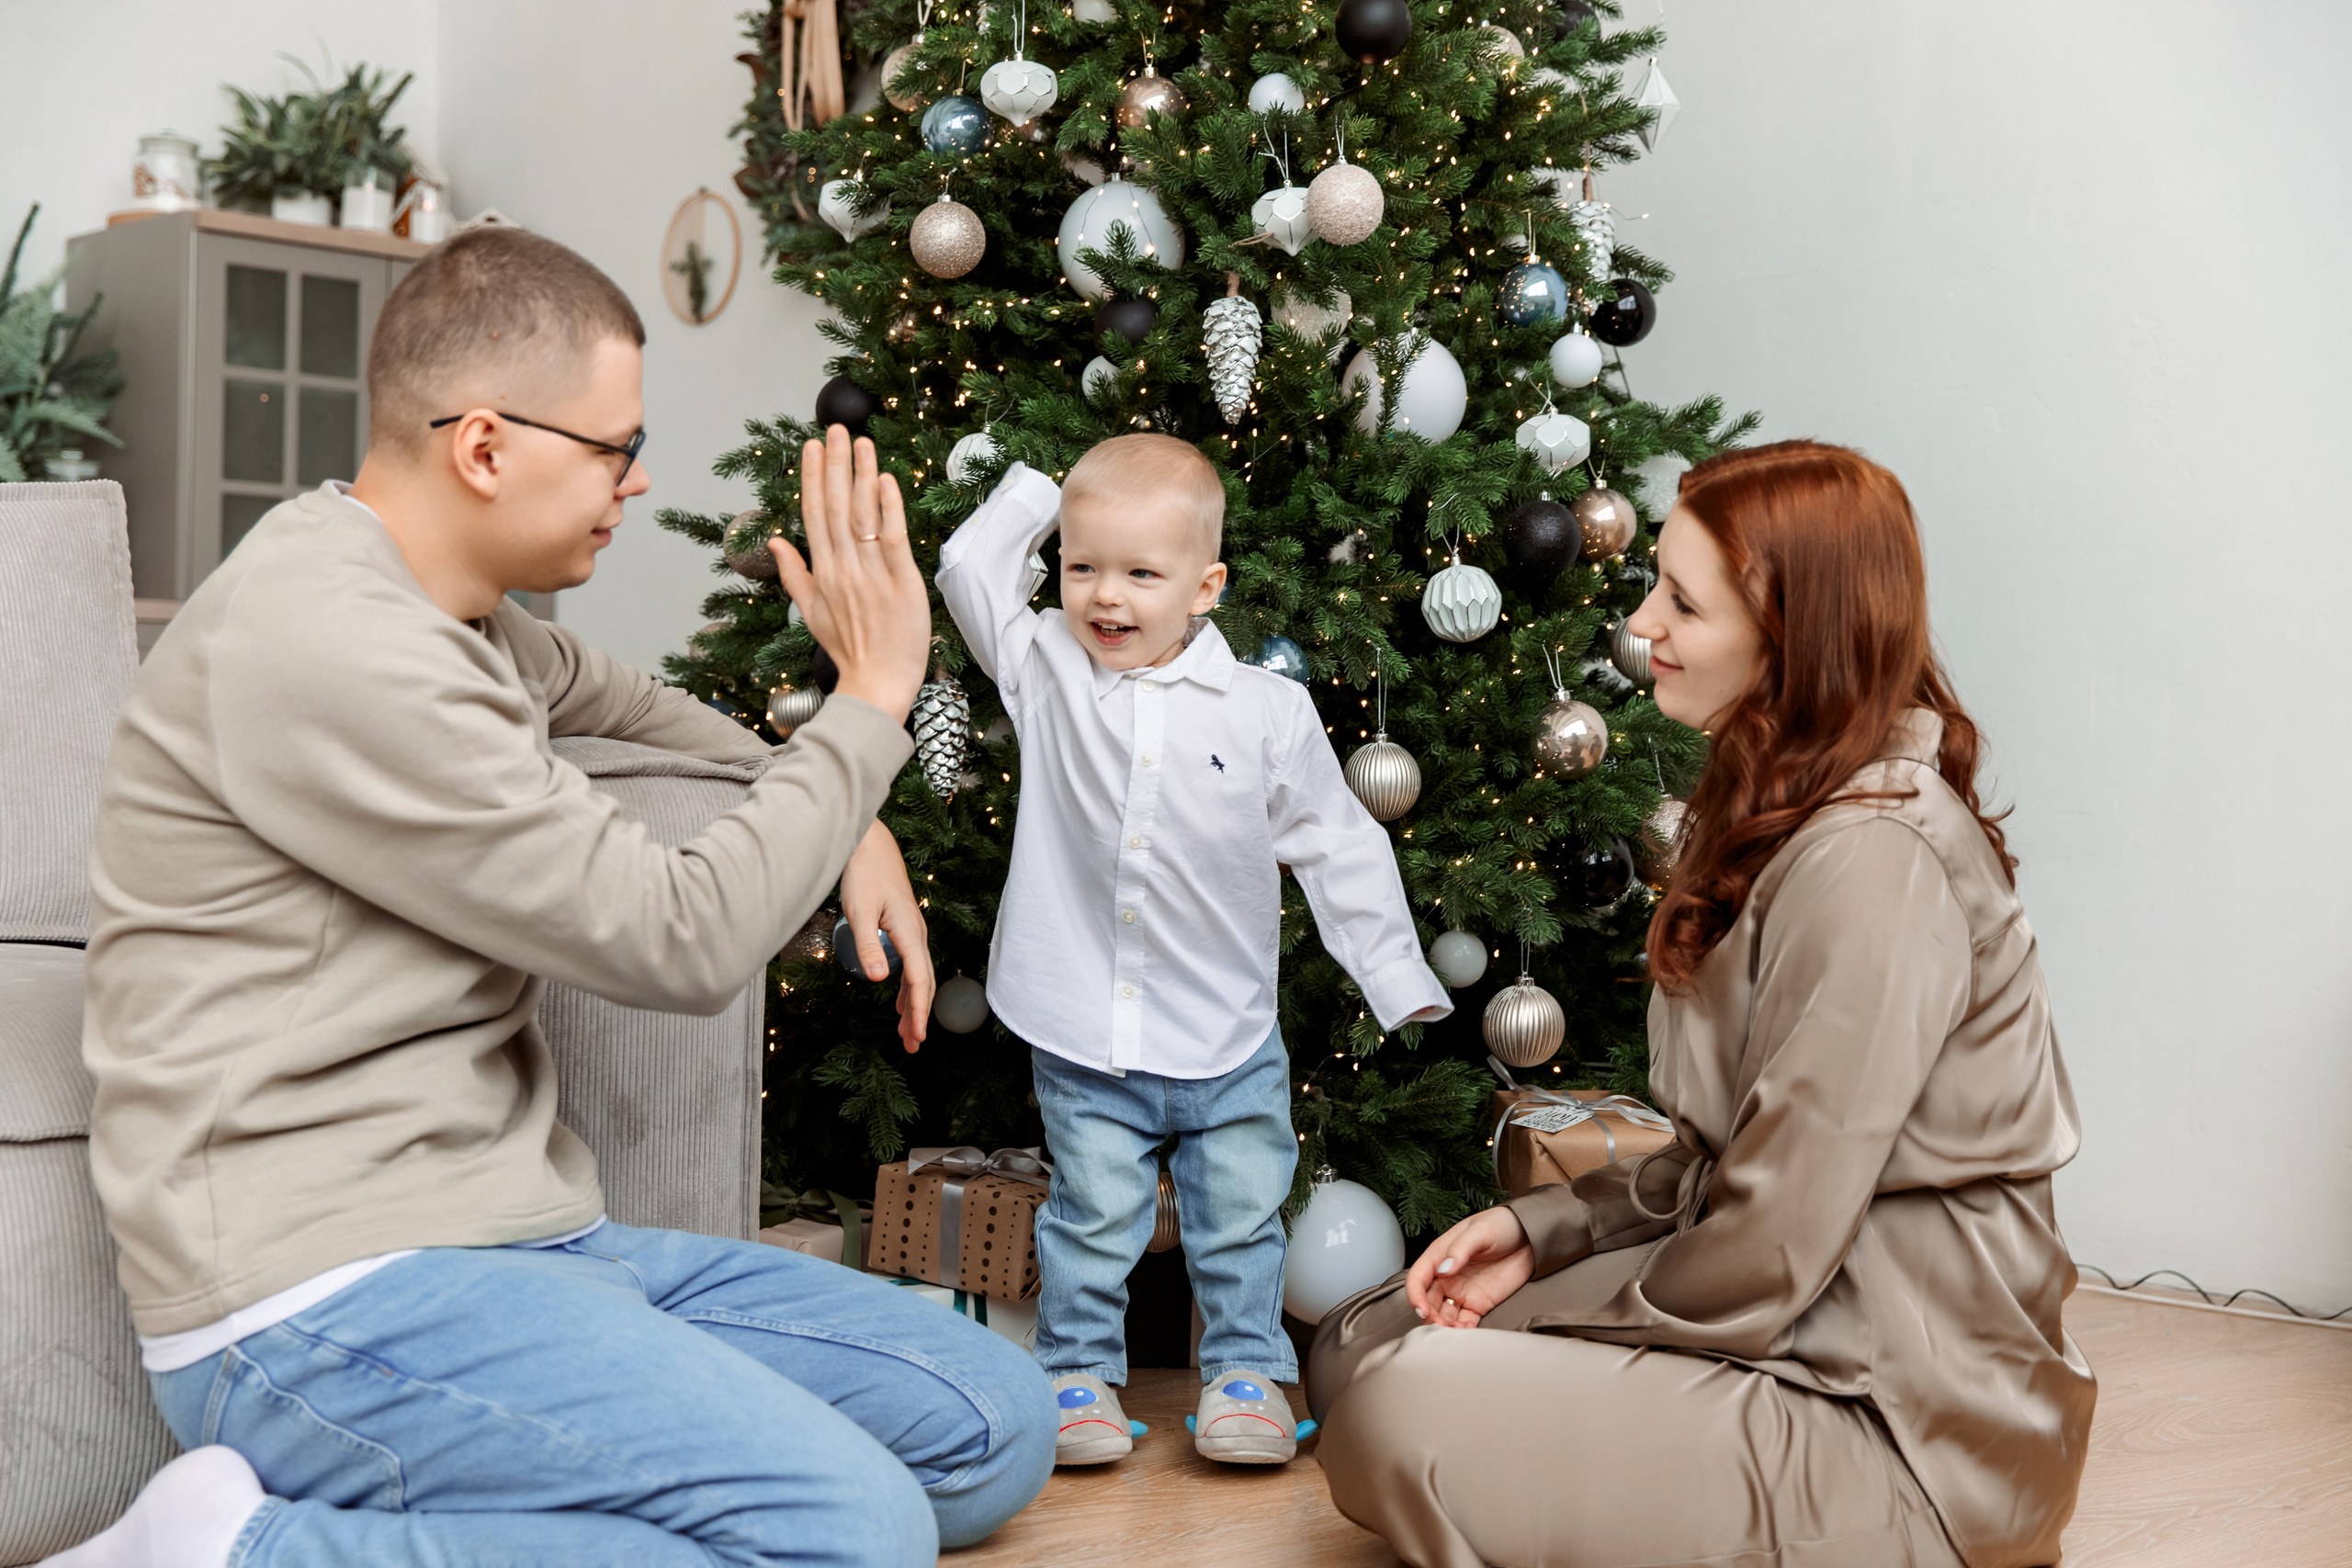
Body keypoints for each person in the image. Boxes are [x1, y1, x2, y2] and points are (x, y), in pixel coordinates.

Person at [53, 227, 1053, 1568]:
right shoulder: (336, 644)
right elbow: (681, 938)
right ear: (483, 446)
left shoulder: (461, 611)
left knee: (987, 1426)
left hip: (525, 1242)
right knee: (852, 1531)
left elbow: (634, 704)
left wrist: (847, 811)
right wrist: (869, 704)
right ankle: (232, 1549)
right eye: (613, 448)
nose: (636, 481)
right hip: (318, 1296)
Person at [1307, 441, 2095, 1568]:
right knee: (1362, 1343)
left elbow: (1773, 1241)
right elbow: (1725, 1161)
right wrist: (1545, 1233)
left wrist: (1545, 1320)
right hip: (1782, 1319)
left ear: (1791, 638)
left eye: (1682, 602)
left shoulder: (1873, 857)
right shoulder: (1775, 801)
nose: (1642, 626)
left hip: (1895, 1418)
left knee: (1400, 1402)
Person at [935, 434, 1452, 1468]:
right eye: (1083, 566)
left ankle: (1246, 1375)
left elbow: (1339, 845)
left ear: (1205, 588)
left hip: (1226, 1030)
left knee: (1241, 1220)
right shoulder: (1045, 669)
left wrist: (1396, 978)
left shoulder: (1266, 711)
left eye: (1140, 572)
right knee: (1090, 1217)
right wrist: (1045, 492)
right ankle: (1075, 1375)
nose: (1104, 596)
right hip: (1083, 1020)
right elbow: (967, 568)